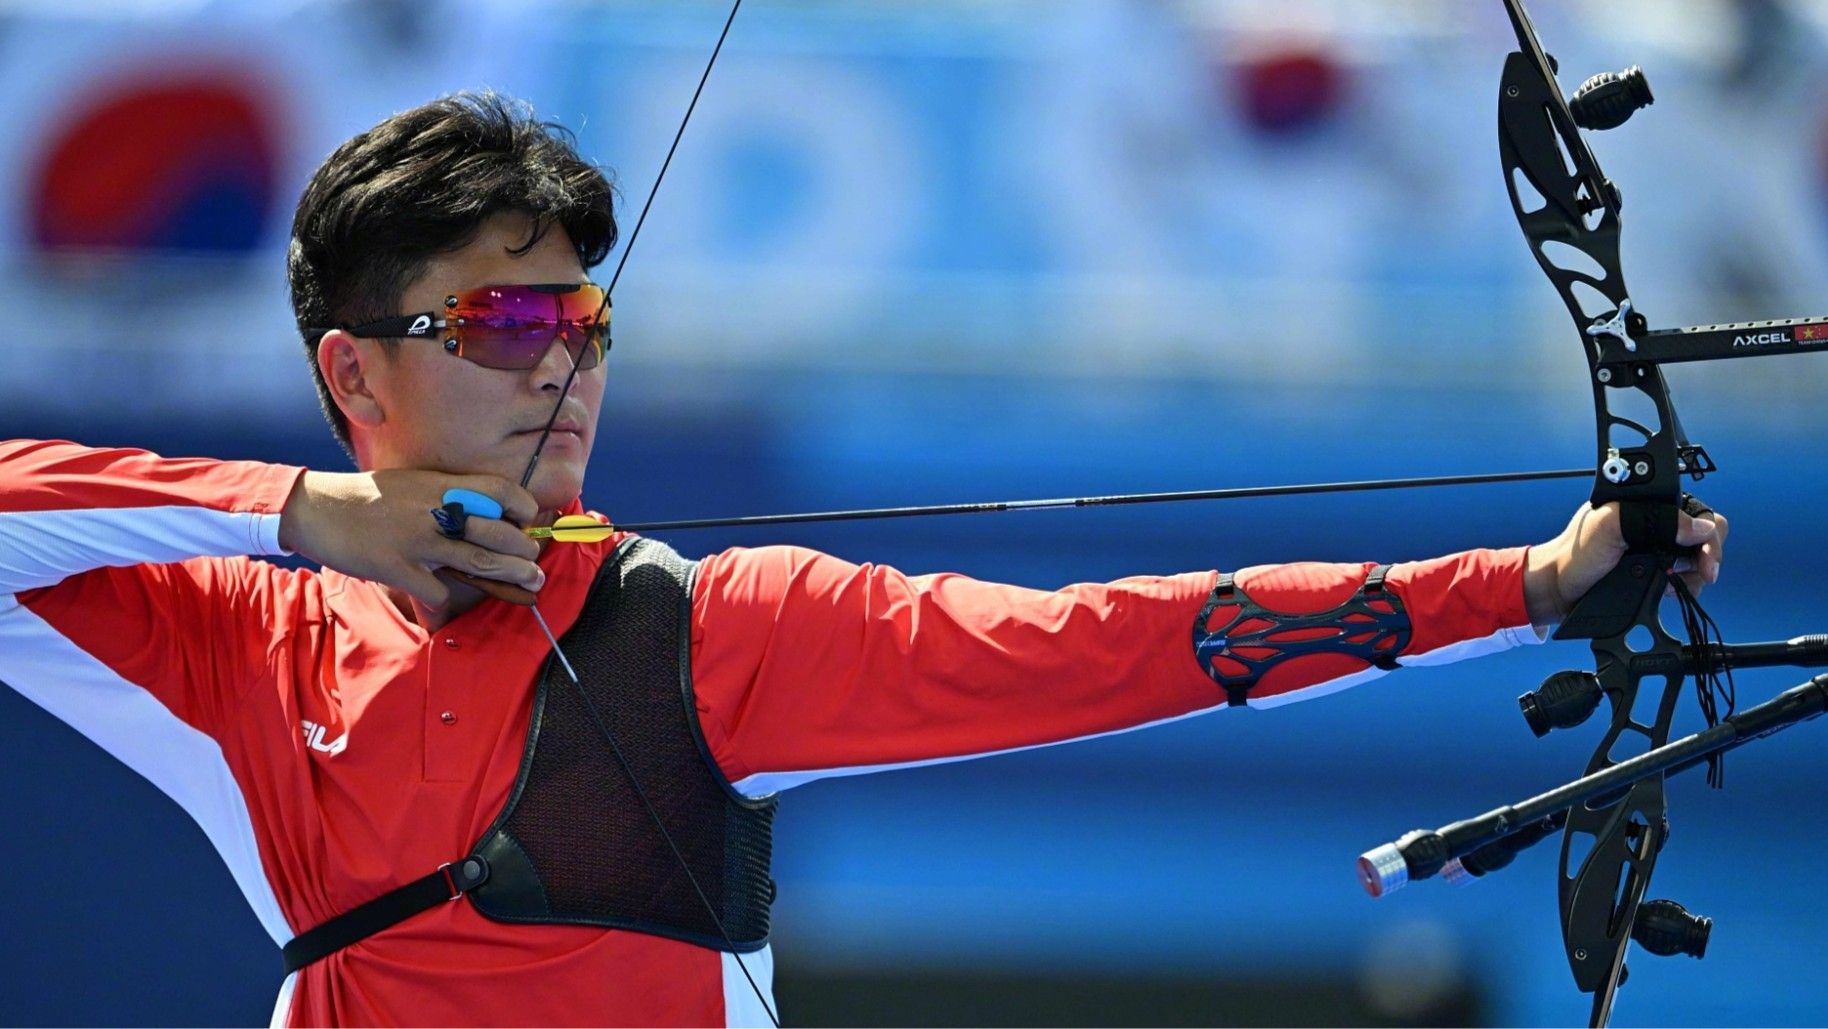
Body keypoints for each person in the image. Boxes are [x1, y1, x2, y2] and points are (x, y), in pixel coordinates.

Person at [0, 91, 1726, 1028]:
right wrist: (314, 516)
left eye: (588, 322)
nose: (563, 364)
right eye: (505, 317)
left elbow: (1107, 637)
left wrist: (1536, 582)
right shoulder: (242, 641)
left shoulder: (707, 628)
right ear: (351, 373)